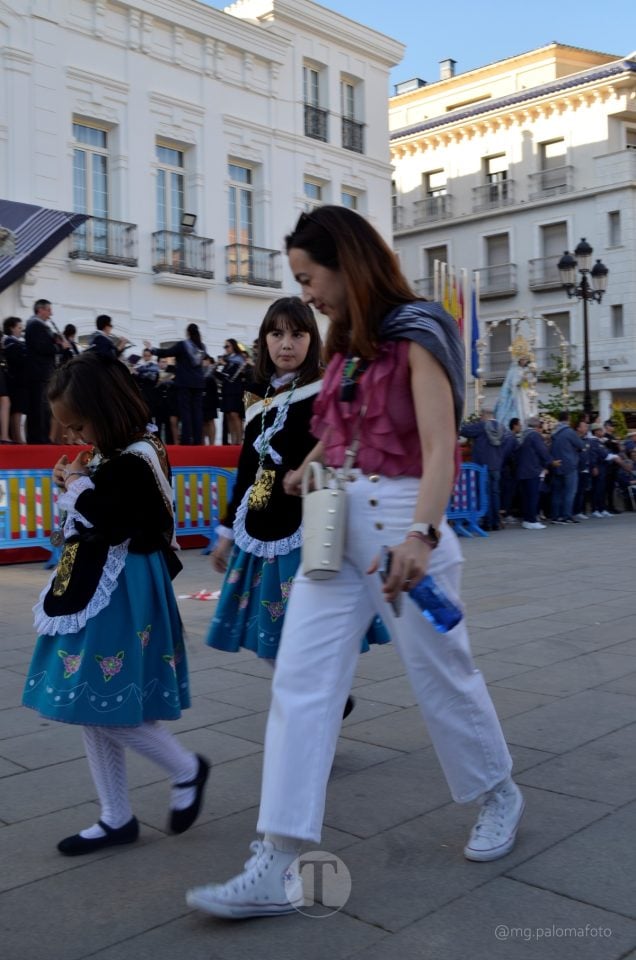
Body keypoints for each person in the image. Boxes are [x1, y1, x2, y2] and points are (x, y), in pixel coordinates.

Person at [186, 205, 523, 919]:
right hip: (333, 526)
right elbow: (337, 434)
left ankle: (499, 793)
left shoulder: (419, 331)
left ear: (347, 263)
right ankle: (277, 859)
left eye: (310, 278)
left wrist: (423, 537)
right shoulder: (345, 348)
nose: (306, 294)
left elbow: (440, 448)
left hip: (405, 525)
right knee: (302, 682)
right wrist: (309, 465)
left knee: (442, 674)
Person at [22, 353, 209, 855]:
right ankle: (115, 815)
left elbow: (117, 519)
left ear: (105, 409)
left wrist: (78, 486)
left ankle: (186, 769)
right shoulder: (115, 453)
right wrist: (76, 484)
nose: (69, 437)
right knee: (93, 703)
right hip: (103, 585)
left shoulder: (136, 456)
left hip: (122, 588)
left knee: (102, 700)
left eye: (76, 424)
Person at [206, 295, 387, 676]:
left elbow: (348, 435)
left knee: (311, 628)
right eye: (276, 334)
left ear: (312, 340)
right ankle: (316, 695)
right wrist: (225, 532)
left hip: (309, 525)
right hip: (259, 524)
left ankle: (318, 694)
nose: (286, 344)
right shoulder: (258, 398)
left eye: (297, 334)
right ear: (263, 340)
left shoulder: (326, 391)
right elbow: (246, 469)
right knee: (268, 635)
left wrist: (309, 466)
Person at [145, 324, 206, 445]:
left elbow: (167, 352)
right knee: (198, 412)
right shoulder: (202, 347)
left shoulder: (183, 345)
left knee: (186, 412)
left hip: (185, 383)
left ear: (188, 332)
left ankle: (186, 440)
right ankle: (198, 440)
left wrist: (152, 349)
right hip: (199, 383)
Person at [459, 409, 507, 530]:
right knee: (495, 494)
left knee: (484, 494)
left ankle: (487, 522)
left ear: (484, 416)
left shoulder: (482, 426)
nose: (480, 418)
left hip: (482, 466)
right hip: (496, 466)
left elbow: (464, 431)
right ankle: (496, 522)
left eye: (481, 416)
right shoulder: (502, 427)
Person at [25, 298, 62, 443]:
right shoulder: (35, 325)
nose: (51, 313)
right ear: (40, 310)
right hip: (39, 371)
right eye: (48, 310)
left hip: (42, 371)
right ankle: (38, 438)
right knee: (39, 406)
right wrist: (58, 347)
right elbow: (43, 348)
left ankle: (42, 436)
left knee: (44, 406)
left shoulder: (39, 326)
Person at [516, 416, 559, 529]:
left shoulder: (523, 435)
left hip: (522, 470)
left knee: (526, 496)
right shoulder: (534, 435)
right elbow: (542, 450)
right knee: (533, 496)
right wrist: (551, 461)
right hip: (532, 469)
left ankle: (527, 519)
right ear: (537, 426)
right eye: (540, 426)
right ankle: (532, 520)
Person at [550, 411, 585, 524]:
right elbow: (581, 445)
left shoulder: (554, 431)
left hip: (556, 464)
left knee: (557, 492)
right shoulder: (569, 432)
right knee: (570, 492)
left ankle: (555, 516)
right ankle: (567, 516)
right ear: (568, 418)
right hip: (569, 465)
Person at [494, 349, 537, 427]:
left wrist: (532, 376)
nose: (524, 361)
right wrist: (521, 379)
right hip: (518, 394)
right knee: (520, 410)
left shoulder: (528, 369)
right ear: (519, 360)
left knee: (529, 409)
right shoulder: (513, 370)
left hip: (527, 393)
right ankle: (521, 426)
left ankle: (529, 425)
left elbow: (532, 382)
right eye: (523, 359)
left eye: (526, 359)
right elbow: (512, 384)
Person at [2, 317, 27, 443]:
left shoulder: (15, 342)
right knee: (17, 409)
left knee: (18, 409)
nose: (21, 331)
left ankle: (17, 436)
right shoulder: (10, 342)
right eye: (19, 328)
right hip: (15, 380)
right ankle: (17, 437)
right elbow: (16, 361)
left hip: (17, 380)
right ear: (11, 328)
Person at [216, 338, 246, 444]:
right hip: (226, 390)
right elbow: (223, 377)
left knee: (234, 415)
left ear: (233, 346)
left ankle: (238, 441)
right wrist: (215, 370)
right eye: (225, 347)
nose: (225, 349)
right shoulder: (227, 360)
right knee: (228, 415)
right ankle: (233, 441)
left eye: (227, 346)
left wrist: (225, 364)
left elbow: (233, 375)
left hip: (236, 390)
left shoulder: (239, 359)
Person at [201, 355, 219, 445]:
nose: (203, 362)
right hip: (201, 399)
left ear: (208, 360)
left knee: (211, 420)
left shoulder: (212, 369)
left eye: (205, 360)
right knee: (203, 422)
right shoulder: (199, 371)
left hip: (211, 398)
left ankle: (212, 443)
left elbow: (216, 383)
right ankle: (203, 442)